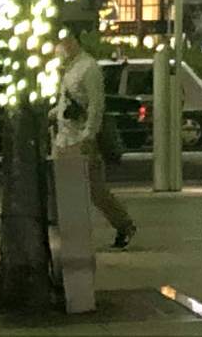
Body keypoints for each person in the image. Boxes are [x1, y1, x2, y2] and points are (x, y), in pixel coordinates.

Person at [51, 24, 136, 249]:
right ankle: (74, 233)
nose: (62, 46)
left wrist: (89, 134)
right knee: (68, 189)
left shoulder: (89, 68)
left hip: (80, 138)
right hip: (64, 137)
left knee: (95, 189)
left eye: (66, 40)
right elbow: (66, 101)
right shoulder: (69, 68)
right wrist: (55, 113)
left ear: (75, 41)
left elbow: (96, 105)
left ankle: (124, 224)